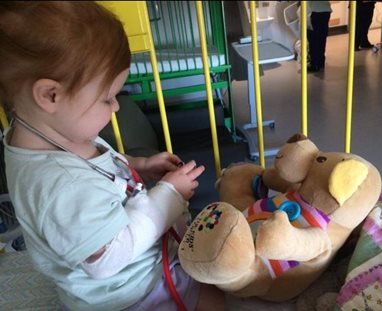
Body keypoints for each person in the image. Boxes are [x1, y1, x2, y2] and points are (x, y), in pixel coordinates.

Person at [0, 2, 225, 311]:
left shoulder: (51, 132)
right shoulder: (60, 186)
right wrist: (169, 196)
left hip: (138, 274)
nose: (116, 107)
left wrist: (140, 166)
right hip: (130, 293)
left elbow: (97, 164)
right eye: (107, 98)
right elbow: (107, 259)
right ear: (51, 95)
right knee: (214, 297)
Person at [306, 1, 332, 72]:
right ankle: (320, 61)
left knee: (313, 38)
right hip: (326, 10)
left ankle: (314, 64)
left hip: (314, 11)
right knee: (321, 37)